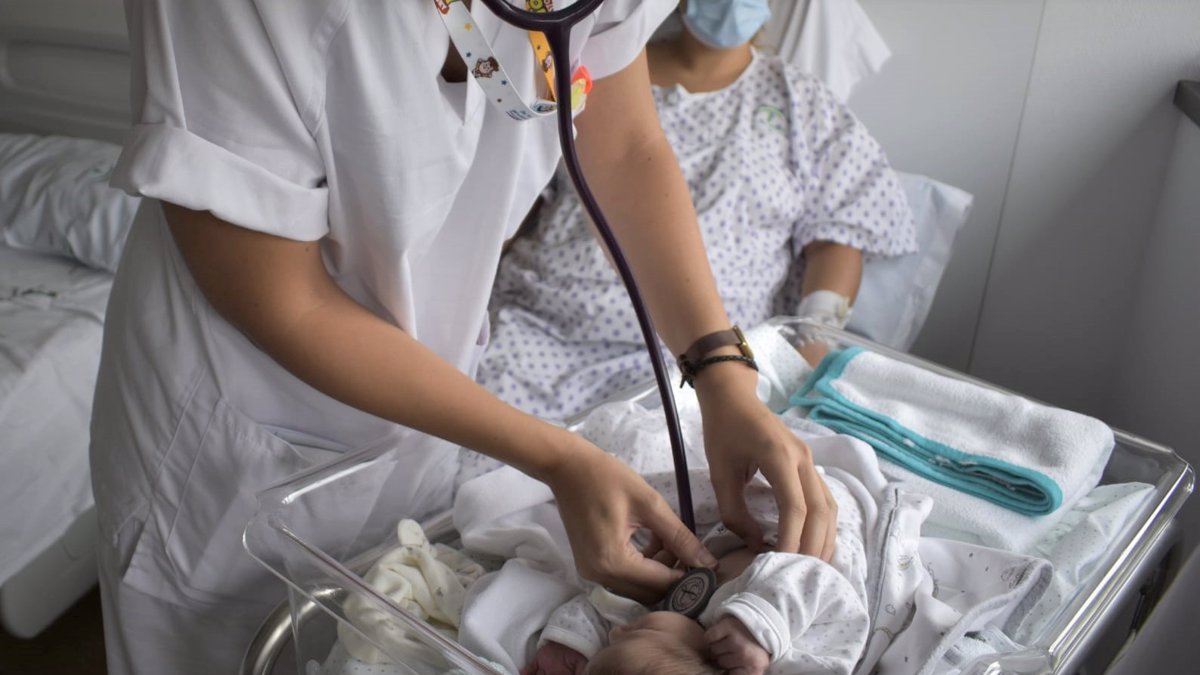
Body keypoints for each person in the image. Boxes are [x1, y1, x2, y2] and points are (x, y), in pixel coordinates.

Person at [89, 1, 838, 673]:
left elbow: (625, 146)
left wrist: (723, 373)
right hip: (236, 444)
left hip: (424, 406)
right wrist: (554, 454)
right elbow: (283, 298)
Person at [472, 0, 916, 424]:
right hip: (541, 329)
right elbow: (518, 184)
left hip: (704, 359)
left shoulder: (801, 104)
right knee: (476, 466)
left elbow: (839, 237)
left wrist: (806, 357)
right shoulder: (591, 71)